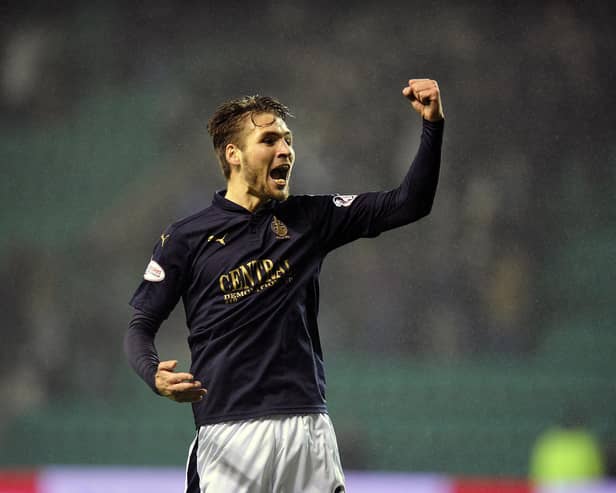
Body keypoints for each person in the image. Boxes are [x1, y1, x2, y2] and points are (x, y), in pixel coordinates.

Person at [124, 78, 444, 493]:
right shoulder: (185, 238)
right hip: (230, 434)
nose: (286, 150)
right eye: (270, 139)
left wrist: (433, 125)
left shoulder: (311, 218)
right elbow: (140, 325)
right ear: (233, 154)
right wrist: (153, 375)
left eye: (288, 140)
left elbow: (409, 203)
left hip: (307, 430)